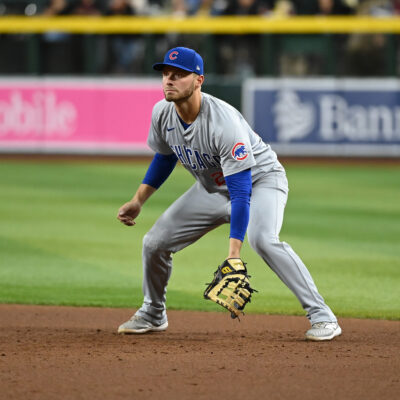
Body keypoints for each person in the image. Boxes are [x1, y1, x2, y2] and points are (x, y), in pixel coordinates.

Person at [117, 47, 341, 341]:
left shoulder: (223, 123)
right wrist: (138, 200)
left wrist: (234, 253)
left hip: (260, 182)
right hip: (211, 189)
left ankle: (323, 316)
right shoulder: (162, 113)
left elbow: (240, 191)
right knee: (154, 243)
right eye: (166, 74)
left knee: (262, 240)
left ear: (199, 80)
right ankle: (153, 312)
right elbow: (165, 157)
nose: (169, 80)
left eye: (179, 75)